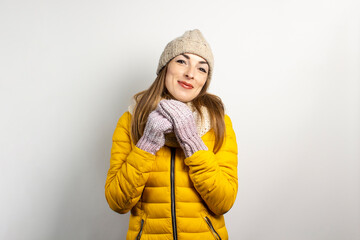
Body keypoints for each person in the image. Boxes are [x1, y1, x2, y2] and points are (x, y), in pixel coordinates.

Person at [105, 29, 238, 240]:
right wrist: (147, 143)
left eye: (202, 68)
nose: (191, 74)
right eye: (182, 61)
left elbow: (224, 202)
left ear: (205, 80)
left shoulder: (218, 122)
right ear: (165, 67)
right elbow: (117, 202)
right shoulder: (131, 120)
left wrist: (192, 141)